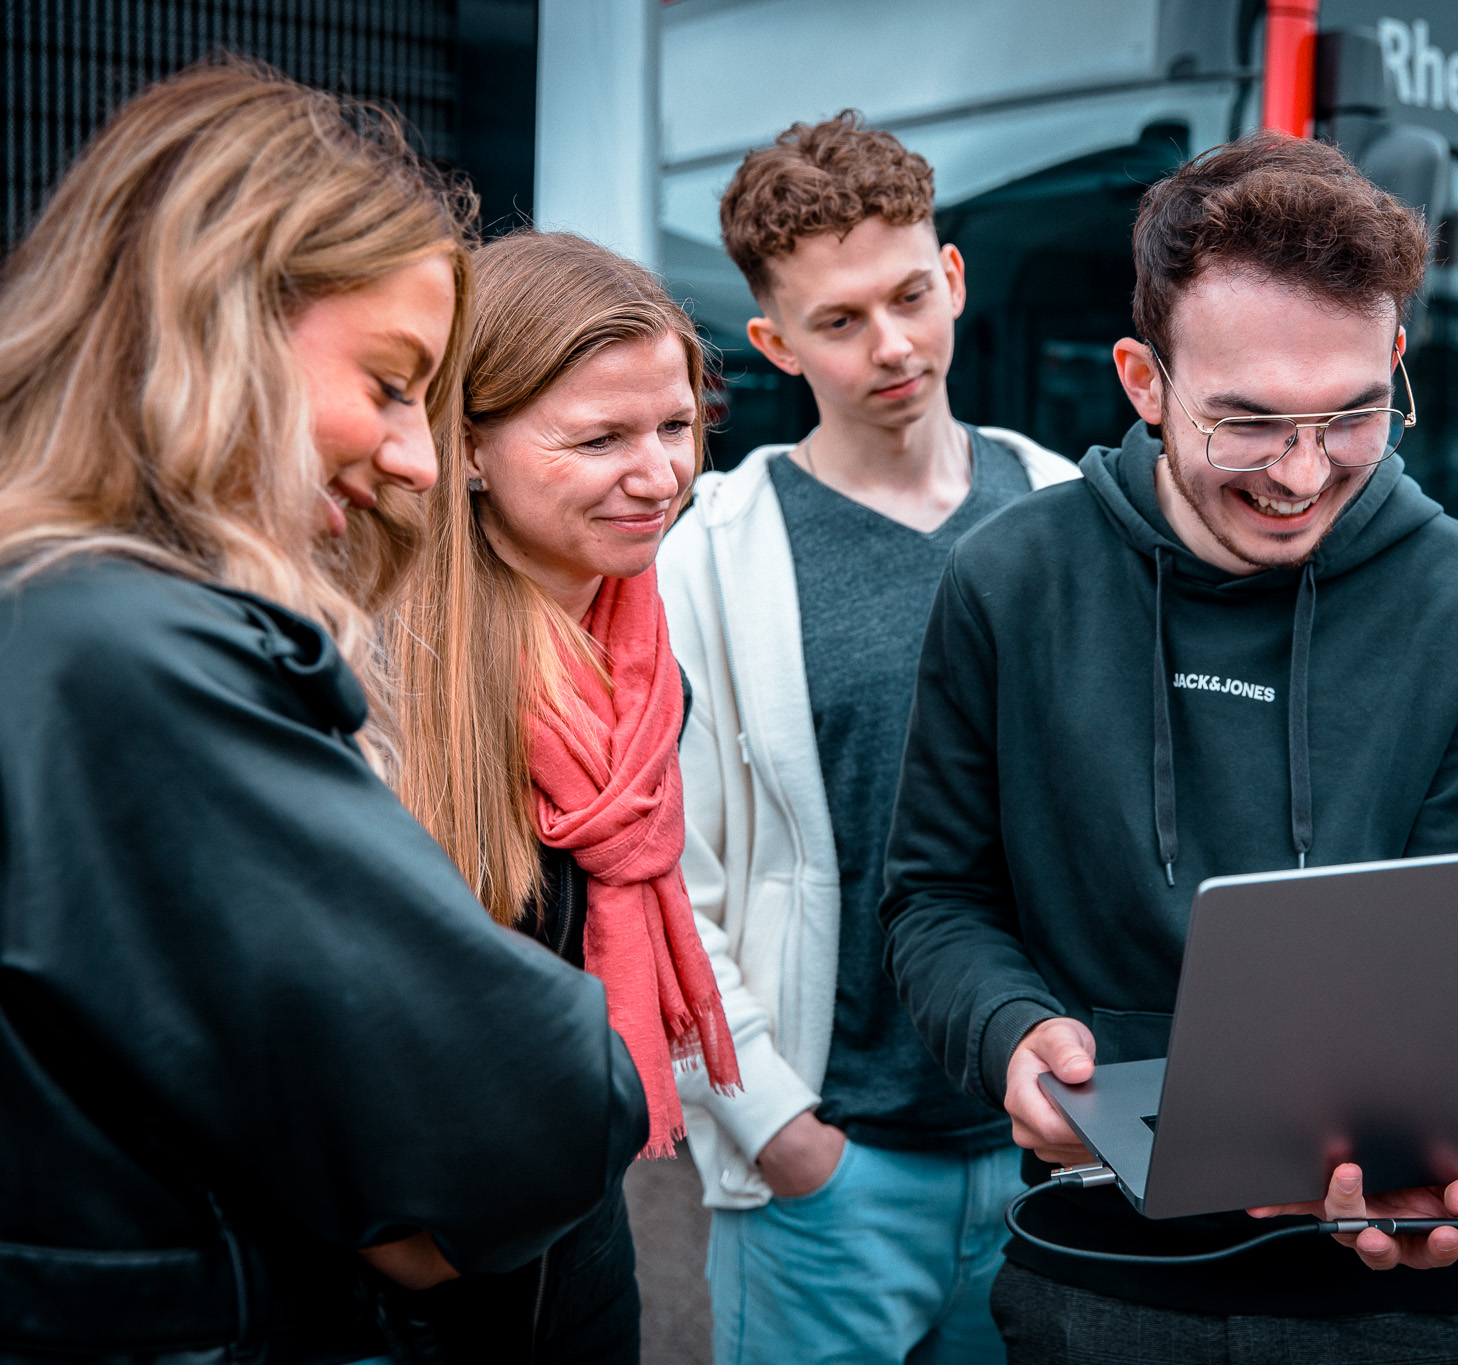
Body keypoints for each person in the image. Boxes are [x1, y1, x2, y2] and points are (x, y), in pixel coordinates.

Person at [0, 62, 648, 1363]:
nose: (417, 457)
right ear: (218, 313)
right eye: (397, 381)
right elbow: (543, 1102)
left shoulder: (41, 616)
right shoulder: (131, 655)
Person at [879, 131, 1458, 1363]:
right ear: (1142, 378)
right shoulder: (1007, 582)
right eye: (1246, 424)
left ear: (1396, 359)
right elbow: (934, 899)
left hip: (1401, 1302)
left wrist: (1427, 1157)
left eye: (1351, 415)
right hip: (1095, 1276)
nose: (1302, 475)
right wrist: (1008, 1031)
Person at [653, 112, 1077, 1364]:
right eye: (839, 322)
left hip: (1053, 1154)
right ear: (775, 343)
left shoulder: (1066, 513)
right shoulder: (711, 559)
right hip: (834, 1176)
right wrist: (776, 1133)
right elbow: (672, 881)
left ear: (951, 277)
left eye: (908, 295)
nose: (891, 345)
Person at [382, 229, 736, 1360]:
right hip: (416, 1281)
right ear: (470, 447)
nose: (660, 474)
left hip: (578, 1245)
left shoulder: (641, 661)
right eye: (600, 439)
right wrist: (412, 1247)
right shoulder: (388, 677)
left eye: (675, 426)